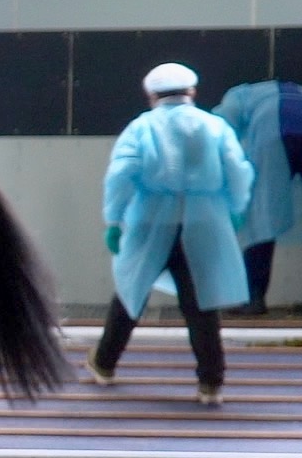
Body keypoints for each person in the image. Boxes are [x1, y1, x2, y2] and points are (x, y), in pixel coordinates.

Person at [94, 61, 256, 405]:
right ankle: (211, 383)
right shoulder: (215, 127)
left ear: (151, 95)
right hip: (205, 221)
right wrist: (236, 208)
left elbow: (121, 175)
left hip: (150, 220)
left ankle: (104, 365)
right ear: (192, 92)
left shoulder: (141, 128)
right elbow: (238, 171)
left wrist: (114, 220)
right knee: (201, 304)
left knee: (129, 292)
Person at [214, 77, 302, 313]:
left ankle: (254, 298)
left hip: (273, 129)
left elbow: (220, 129)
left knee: (261, 213)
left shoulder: (239, 95)